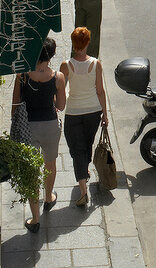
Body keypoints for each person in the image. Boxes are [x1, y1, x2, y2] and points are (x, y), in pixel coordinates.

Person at [11, 37, 66, 231]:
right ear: (51, 55)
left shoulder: (23, 75)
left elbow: (15, 104)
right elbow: (60, 105)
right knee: (50, 162)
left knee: (32, 171)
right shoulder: (58, 77)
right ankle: (48, 197)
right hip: (50, 125)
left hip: (28, 126)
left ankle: (35, 219)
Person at [60, 27, 108, 208]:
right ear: (87, 43)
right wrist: (104, 113)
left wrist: (57, 105)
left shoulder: (66, 65)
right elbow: (100, 90)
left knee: (77, 149)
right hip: (93, 111)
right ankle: (84, 171)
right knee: (87, 143)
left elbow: (61, 88)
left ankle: (82, 190)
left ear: (73, 43)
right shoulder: (96, 64)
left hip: (74, 112)